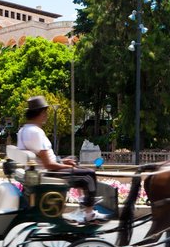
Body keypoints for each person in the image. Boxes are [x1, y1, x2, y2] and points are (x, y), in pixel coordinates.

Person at [17, 95, 108, 223]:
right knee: (89, 175)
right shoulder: (36, 132)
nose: (46, 115)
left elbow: (42, 159)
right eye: (45, 112)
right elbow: (48, 164)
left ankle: (83, 208)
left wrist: (63, 161)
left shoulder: (23, 131)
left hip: (39, 173)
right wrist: (69, 167)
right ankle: (89, 212)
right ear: (41, 113)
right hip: (48, 174)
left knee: (77, 167)